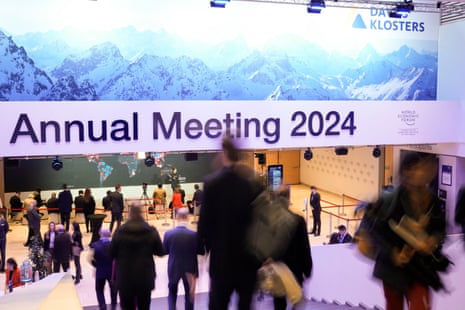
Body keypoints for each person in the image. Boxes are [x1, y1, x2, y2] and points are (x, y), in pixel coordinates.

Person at [367, 152, 448, 310]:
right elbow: (375, 231)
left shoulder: (435, 202)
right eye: (421, 167)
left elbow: (441, 230)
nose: (427, 171)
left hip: (420, 269)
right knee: (394, 306)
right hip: (393, 270)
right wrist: (394, 253)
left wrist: (433, 241)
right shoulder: (390, 200)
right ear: (407, 171)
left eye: (430, 166)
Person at [197, 135, 263, 310]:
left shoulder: (212, 183)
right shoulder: (254, 183)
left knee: (218, 304)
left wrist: (201, 252)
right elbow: (261, 223)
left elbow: (204, 224)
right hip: (249, 261)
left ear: (224, 152)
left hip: (222, 261)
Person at [110, 205, 164, 310]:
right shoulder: (151, 231)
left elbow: (111, 253)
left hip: (125, 279)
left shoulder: (119, 232)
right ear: (142, 213)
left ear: (129, 214)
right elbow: (160, 252)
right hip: (145, 278)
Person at [271, 186, 313, 310]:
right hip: (295, 270)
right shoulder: (298, 220)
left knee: (279, 304)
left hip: (277, 270)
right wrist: (308, 269)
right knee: (298, 301)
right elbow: (305, 247)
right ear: (289, 198)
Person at [163, 208, 199, 310]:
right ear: (188, 217)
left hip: (174, 267)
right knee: (189, 294)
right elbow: (200, 251)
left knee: (172, 293)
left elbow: (164, 251)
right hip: (190, 268)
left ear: (176, 217)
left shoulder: (168, 234)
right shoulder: (194, 235)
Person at [90, 227, 117, 310]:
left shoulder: (95, 245)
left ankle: (103, 306)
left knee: (99, 290)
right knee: (113, 290)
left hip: (100, 271)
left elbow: (90, 259)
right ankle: (113, 305)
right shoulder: (115, 245)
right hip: (112, 272)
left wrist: (96, 265)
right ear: (109, 234)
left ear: (100, 234)